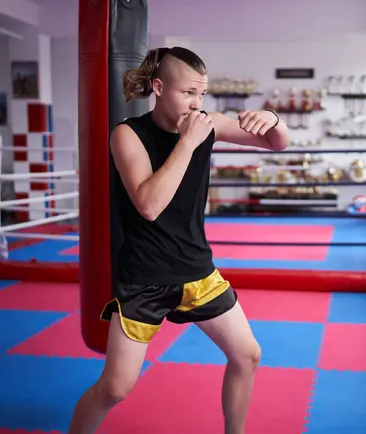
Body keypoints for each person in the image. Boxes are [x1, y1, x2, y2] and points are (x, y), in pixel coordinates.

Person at [68, 47, 290, 434]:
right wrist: (187, 143)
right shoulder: (127, 135)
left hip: (197, 272)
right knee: (115, 389)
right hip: (144, 280)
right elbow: (149, 205)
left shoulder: (208, 123)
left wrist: (272, 118)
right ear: (159, 88)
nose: (197, 103)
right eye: (188, 92)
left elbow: (277, 143)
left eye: (202, 94)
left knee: (247, 354)